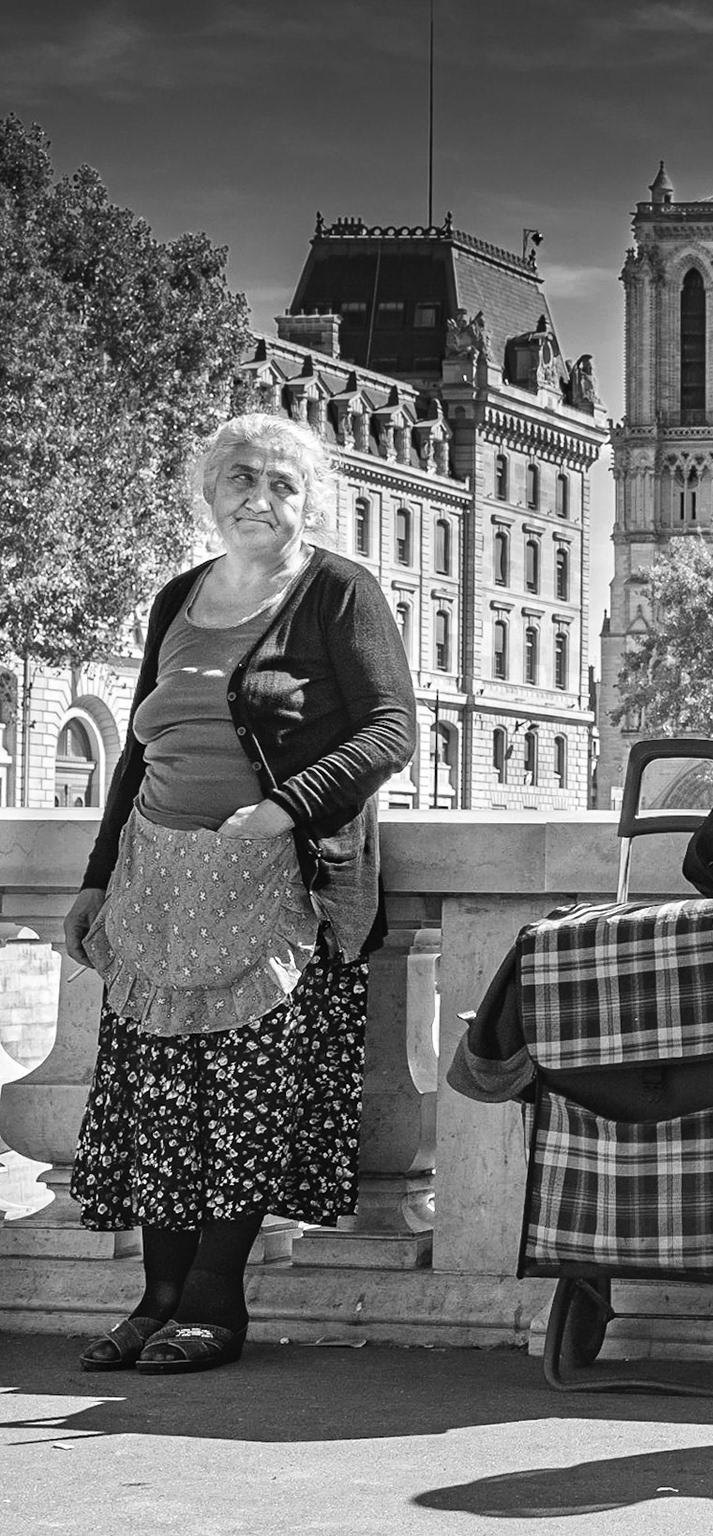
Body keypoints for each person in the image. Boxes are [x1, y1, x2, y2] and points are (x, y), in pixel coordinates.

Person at [62, 411, 415, 1375]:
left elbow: (391, 731)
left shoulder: (338, 591)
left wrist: (280, 813)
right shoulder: (177, 597)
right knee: (167, 1107)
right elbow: (137, 754)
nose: (260, 497)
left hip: (277, 886)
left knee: (247, 1106)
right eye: (242, 479)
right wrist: (96, 882)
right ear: (210, 494)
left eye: (282, 483)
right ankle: (157, 1300)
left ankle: (216, 1305)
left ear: (311, 500)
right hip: (157, 884)